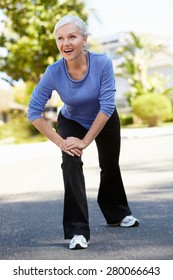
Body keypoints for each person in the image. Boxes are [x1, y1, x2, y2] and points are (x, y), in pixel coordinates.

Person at [28, 14, 139, 250]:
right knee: (70, 162)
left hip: (104, 118)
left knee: (109, 165)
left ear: (84, 40)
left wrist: (86, 141)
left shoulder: (102, 63)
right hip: (71, 119)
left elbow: (107, 106)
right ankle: (77, 231)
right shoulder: (53, 71)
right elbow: (33, 112)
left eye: (72, 36)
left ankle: (117, 213)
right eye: (60, 38)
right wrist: (63, 143)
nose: (65, 43)